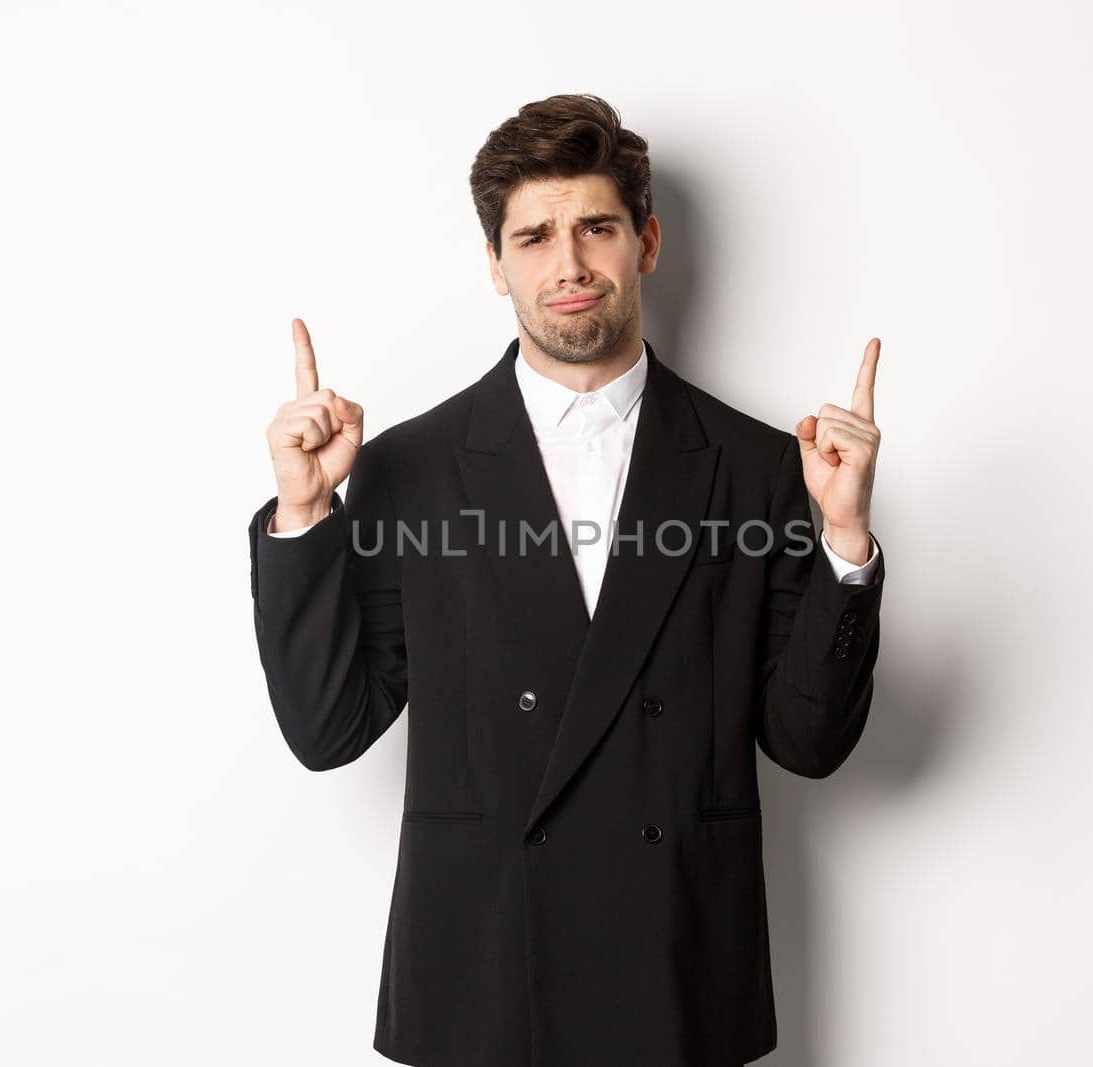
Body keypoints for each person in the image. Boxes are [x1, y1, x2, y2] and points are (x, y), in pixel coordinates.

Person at [247, 92, 885, 1067]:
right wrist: (302, 515)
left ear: (647, 241)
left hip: (678, 977)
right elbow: (329, 727)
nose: (570, 263)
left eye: (596, 226)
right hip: (483, 983)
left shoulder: (757, 466)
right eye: (534, 235)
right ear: (496, 266)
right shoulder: (412, 466)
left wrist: (843, 540)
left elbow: (807, 740)